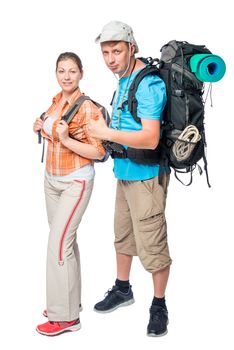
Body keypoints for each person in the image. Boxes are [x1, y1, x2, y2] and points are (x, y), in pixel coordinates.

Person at [88, 21, 172, 337]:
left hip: (147, 177)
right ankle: (123, 289)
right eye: (106, 52)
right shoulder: (123, 79)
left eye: (116, 51)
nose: (110, 58)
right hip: (123, 173)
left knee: (152, 244)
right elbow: (126, 125)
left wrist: (105, 132)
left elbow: (150, 138)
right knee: (122, 235)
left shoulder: (148, 85)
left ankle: (159, 306)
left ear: (131, 47)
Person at [33, 52, 106, 336]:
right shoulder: (56, 100)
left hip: (76, 182)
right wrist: (40, 126)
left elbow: (98, 153)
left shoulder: (87, 108)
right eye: (62, 71)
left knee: (57, 246)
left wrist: (64, 138)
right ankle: (69, 302)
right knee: (65, 243)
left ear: (81, 74)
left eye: (72, 71)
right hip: (52, 180)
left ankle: (65, 318)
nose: (66, 76)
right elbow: (51, 128)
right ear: (56, 73)